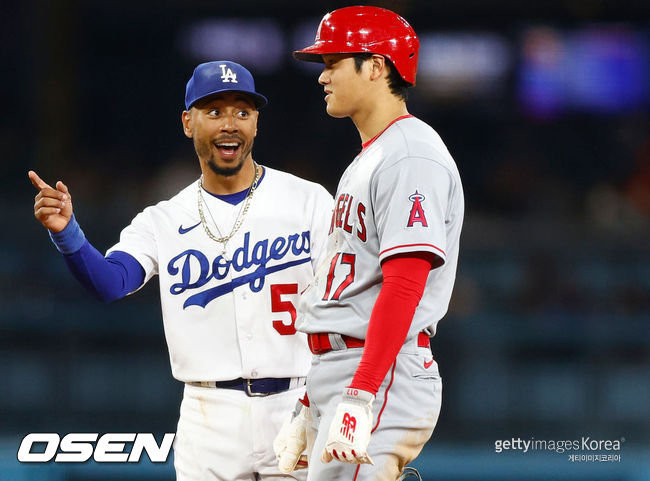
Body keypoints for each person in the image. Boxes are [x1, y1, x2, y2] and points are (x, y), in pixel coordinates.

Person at [29, 60, 333, 481]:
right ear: (188, 123)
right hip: (209, 417)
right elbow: (112, 283)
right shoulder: (163, 219)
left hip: (298, 401)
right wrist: (69, 234)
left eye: (243, 112)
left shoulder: (310, 201)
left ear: (257, 124)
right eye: (214, 112)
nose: (230, 124)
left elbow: (347, 299)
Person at [273, 7, 464, 481]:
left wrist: (360, 393)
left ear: (376, 67)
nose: (323, 76)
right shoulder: (372, 155)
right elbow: (350, 287)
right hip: (344, 368)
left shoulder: (410, 155)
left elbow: (404, 286)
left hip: (379, 373)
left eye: (334, 62)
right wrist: (309, 400)